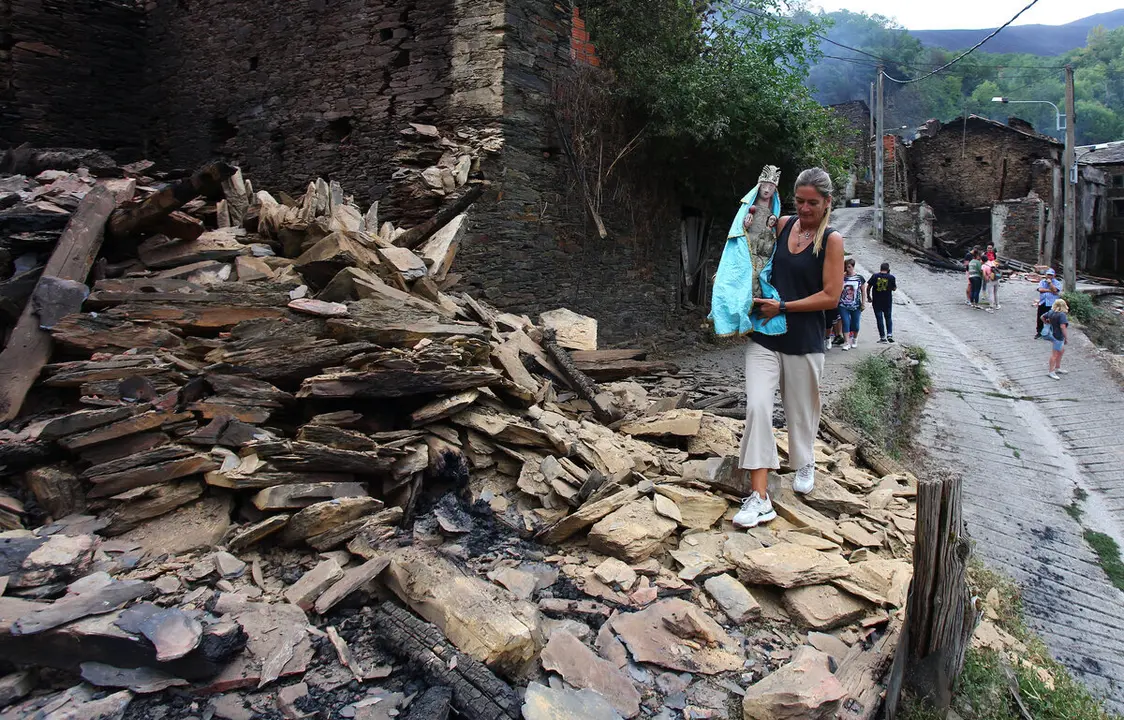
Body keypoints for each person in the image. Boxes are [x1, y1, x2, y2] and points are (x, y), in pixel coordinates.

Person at [731, 168, 845, 529]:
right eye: (801, 201)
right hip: (765, 335)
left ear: (827, 202)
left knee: (801, 413)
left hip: (805, 340)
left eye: (813, 202)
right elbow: (748, 248)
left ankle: (804, 460)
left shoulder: (831, 239)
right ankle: (759, 496)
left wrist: (784, 307)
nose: (806, 208)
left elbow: (831, 296)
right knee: (758, 407)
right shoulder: (781, 225)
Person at [867, 261, 897, 342]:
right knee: (888, 317)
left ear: (880, 268)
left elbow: (869, 287)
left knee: (879, 318)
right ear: (888, 269)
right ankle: (889, 334)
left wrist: (868, 296)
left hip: (876, 301)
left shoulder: (875, 276)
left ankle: (882, 337)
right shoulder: (891, 277)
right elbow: (894, 289)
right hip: (887, 301)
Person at [838, 258, 865, 350]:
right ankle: (846, 342)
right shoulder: (842, 277)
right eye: (846, 266)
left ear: (853, 267)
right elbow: (838, 289)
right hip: (843, 304)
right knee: (846, 322)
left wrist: (863, 303)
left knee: (855, 324)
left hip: (856, 305)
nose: (847, 268)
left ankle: (855, 339)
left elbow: (863, 291)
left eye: (849, 267)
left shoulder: (859, 278)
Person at [1044, 298, 1069, 380]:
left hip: (1052, 334)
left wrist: (1047, 322)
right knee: (1054, 354)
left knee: (1061, 351)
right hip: (1058, 336)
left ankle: (1057, 367)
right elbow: (1063, 327)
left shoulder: (1051, 312)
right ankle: (1051, 371)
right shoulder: (1062, 315)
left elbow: (1042, 317)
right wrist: (1066, 337)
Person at [1036, 268, 1061, 338]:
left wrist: (1050, 283)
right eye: (1048, 275)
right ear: (1045, 275)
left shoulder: (1057, 283)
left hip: (1052, 303)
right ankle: (1039, 332)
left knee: (1052, 319)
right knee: (1040, 318)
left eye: (1051, 275)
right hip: (1043, 302)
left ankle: (1053, 333)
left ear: (1054, 275)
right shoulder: (1042, 282)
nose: (1049, 276)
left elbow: (1055, 290)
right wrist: (1050, 290)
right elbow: (1040, 289)